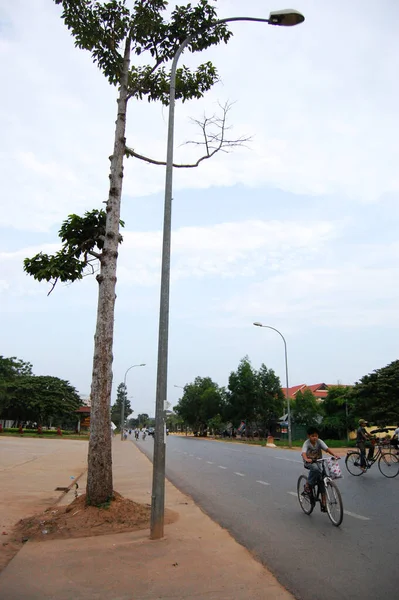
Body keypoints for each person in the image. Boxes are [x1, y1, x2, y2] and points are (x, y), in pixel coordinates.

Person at [301, 427, 340, 511]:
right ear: (308, 436)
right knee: (315, 469)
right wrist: (306, 459)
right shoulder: (307, 443)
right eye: (312, 436)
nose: (314, 438)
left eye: (316, 436)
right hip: (309, 462)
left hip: (319, 461)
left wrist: (334, 455)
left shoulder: (319, 442)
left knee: (322, 479)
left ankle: (323, 502)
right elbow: (303, 453)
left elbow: (327, 449)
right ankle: (308, 485)